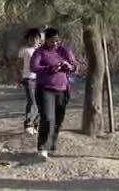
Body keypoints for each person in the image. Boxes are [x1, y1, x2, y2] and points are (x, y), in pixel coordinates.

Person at [30, 28, 77, 159]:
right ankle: (42, 147)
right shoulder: (40, 52)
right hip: (45, 89)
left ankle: (51, 145)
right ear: (46, 40)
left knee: (58, 120)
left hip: (62, 89)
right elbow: (34, 67)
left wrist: (70, 67)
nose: (55, 44)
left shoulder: (64, 50)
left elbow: (74, 64)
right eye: (52, 41)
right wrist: (50, 69)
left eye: (57, 41)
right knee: (47, 118)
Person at [16, 28, 42, 135]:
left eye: (36, 38)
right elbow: (18, 65)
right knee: (32, 101)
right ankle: (28, 124)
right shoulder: (24, 50)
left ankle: (36, 125)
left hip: (41, 79)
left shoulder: (42, 50)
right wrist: (18, 77)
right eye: (31, 38)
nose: (34, 40)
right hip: (28, 78)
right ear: (28, 40)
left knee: (40, 102)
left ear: (39, 39)